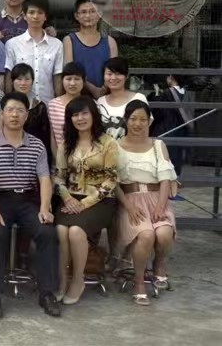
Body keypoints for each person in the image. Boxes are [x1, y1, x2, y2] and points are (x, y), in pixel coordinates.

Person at [0, 91, 60, 318]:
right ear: (2, 114)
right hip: (1, 199)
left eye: (20, 110)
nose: (14, 115)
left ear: (27, 115)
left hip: (28, 200)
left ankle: (47, 293)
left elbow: (44, 179)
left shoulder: (37, 145)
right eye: (10, 110)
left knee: (47, 232)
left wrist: (45, 207)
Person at [54, 96, 119, 305]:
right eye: (75, 114)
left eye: (84, 113)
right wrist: (67, 198)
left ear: (93, 115)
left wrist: (85, 203)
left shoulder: (108, 143)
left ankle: (78, 280)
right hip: (71, 199)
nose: (80, 118)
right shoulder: (66, 145)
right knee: (61, 229)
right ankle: (62, 279)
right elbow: (58, 177)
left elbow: (111, 179)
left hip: (100, 200)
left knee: (75, 231)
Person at [116, 100, 177, 306]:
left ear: (149, 121)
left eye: (143, 119)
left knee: (164, 234)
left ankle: (159, 263)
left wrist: (160, 205)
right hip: (130, 200)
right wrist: (128, 206)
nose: (138, 124)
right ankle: (139, 282)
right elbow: (112, 183)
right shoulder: (115, 146)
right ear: (126, 120)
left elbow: (165, 179)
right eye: (133, 119)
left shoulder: (158, 145)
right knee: (146, 235)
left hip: (156, 197)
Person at [4, 0, 63, 102]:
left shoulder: (57, 44)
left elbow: (57, 77)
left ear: (45, 16)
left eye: (40, 12)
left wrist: (58, 104)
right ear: (24, 15)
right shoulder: (12, 44)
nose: (35, 16)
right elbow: (9, 77)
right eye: (31, 12)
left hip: (47, 105)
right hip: (21, 106)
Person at [63, 0, 118, 98]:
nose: (88, 15)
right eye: (83, 12)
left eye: (93, 11)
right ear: (76, 16)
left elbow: (115, 71)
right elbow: (70, 71)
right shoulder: (69, 40)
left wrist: (103, 88)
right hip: (78, 98)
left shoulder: (110, 42)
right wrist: (93, 89)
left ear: (100, 14)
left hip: (106, 97)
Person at [148, 74, 192, 175]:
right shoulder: (186, 93)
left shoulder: (167, 93)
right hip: (181, 130)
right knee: (177, 155)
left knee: (165, 155)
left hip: (167, 127)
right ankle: (175, 177)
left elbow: (158, 111)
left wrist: (156, 94)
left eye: (168, 77)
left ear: (172, 79)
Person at [97, 57, 149, 140]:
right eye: (109, 74)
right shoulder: (100, 101)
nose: (113, 78)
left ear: (126, 76)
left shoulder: (139, 98)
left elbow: (145, 130)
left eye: (118, 74)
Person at [10, 63, 53, 164]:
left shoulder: (40, 106)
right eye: (19, 79)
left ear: (32, 81)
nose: (23, 83)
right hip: (10, 156)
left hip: (35, 157)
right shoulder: (5, 104)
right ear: (12, 81)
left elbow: (45, 138)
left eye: (27, 79)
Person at [48, 62, 87, 158]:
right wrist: (58, 161)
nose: (72, 83)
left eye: (77, 79)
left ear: (84, 80)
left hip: (87, 160)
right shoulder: (52, 105)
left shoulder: (92, 104)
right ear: (62, 80)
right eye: (68, 79)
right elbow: (52, 137)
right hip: (60, 158)